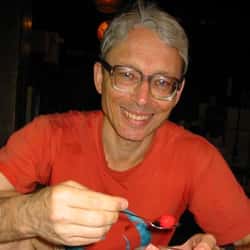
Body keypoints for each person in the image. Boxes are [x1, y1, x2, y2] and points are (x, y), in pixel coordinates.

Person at [0, 1, 249, 249]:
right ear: (100, 78)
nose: (142, 99)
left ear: (178, 92)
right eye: (127, 75)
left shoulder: (196, 158)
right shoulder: (49, 134)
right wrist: (33, 215)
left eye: (162, 82)